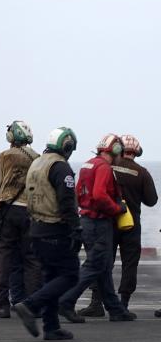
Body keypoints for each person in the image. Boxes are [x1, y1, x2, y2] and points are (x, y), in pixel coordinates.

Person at [57, 133, 136, 323]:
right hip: (99, 223)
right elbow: (100, 196)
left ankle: (115, 309)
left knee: (104, 266)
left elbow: (77, 192)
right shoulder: (104, 168)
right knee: (94, 265)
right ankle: (66, 301)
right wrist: (118, 209)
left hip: (85, 220)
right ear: (116, 150)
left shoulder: (88, 164)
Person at [12, 127, 82, 340]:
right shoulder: (60, 167)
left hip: (36, 229)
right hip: (55, 229)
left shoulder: (37, 163)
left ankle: (51, 327)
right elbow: (67, 202)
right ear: (67, 146)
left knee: (51, 276)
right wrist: (76, 229)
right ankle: (30, 306)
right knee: (70, 275)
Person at [78, 134, 157, 316]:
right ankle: (123, 304)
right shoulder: (142, 172)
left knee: (103, 262)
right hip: (130, 224)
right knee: (130, 263)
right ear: (137, 152)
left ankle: (96, 304)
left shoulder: (106, 167)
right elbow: (152, 200)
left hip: (108, 221)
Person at [0, 121, 42, 318]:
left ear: (11, 137)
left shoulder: (4, 157)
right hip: (32, 212)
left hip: (8, 212)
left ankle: (2, 305)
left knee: (4, 257)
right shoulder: (38, 158)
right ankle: (33, 304)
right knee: (32, 259)